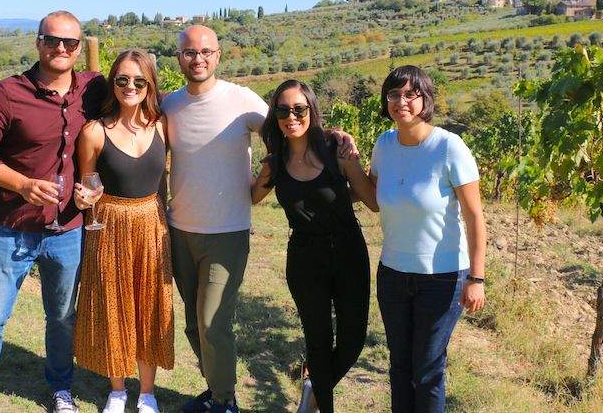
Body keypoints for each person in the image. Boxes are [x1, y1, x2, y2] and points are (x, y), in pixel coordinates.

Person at [163, 25, 356, 413]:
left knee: (213, 323)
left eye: (205, 51)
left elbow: (292, 126)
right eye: (189, 52)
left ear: (218, 55)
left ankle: (224, 401)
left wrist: (331, 136)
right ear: (178, 57)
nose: (197, 59)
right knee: (191, 324)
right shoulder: (169, 105)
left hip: (227, 231)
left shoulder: (242, 100)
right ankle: (218, 388)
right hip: (179, 228)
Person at [0, 10, 105, 413]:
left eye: (70, 43)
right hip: (10, 228)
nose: (61, 48)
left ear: (79, 48)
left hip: (68, 230)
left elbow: (133, 109)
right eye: (52, 40)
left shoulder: (93, 90)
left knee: (62, 318)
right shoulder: (7, 94)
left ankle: (60, 388)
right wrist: (22, 184)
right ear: (38, 42)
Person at [250, 80, 377, 413]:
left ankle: (313, 389)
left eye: (299, 109)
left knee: (352, 341)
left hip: (349, 251)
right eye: (282, 110)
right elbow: (250, 196)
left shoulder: (336, 149)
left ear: (311, 111)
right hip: (305, 259)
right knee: (318, 343)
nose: (290, 116)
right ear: (274, 115)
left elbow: (372, 200)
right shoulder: (275, 164)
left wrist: (356, 157)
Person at [370, 65, 486, 413]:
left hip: (442, 278)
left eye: (410, 94)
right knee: (400, 365)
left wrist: (476, 278)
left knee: (428, 368)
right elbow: (372, 198)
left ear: (425, 98)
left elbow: (475, 216)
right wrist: (345, 163)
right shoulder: (384, 145)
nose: (401, 101)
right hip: (392, 274)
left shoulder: (449, 147)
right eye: (393, 94)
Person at [72, 49, 173, 413]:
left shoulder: (163, 125)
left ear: (150, 85)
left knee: (150, 307)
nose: (130, 86)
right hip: (109, 226)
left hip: (151, 223)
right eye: (122, 80)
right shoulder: (94, 132)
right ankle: (117, 390)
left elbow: (165, 180)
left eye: (139, 81)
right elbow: (86, 187)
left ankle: (147, 393)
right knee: (113, 307)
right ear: (113, 83)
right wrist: (84, 200)